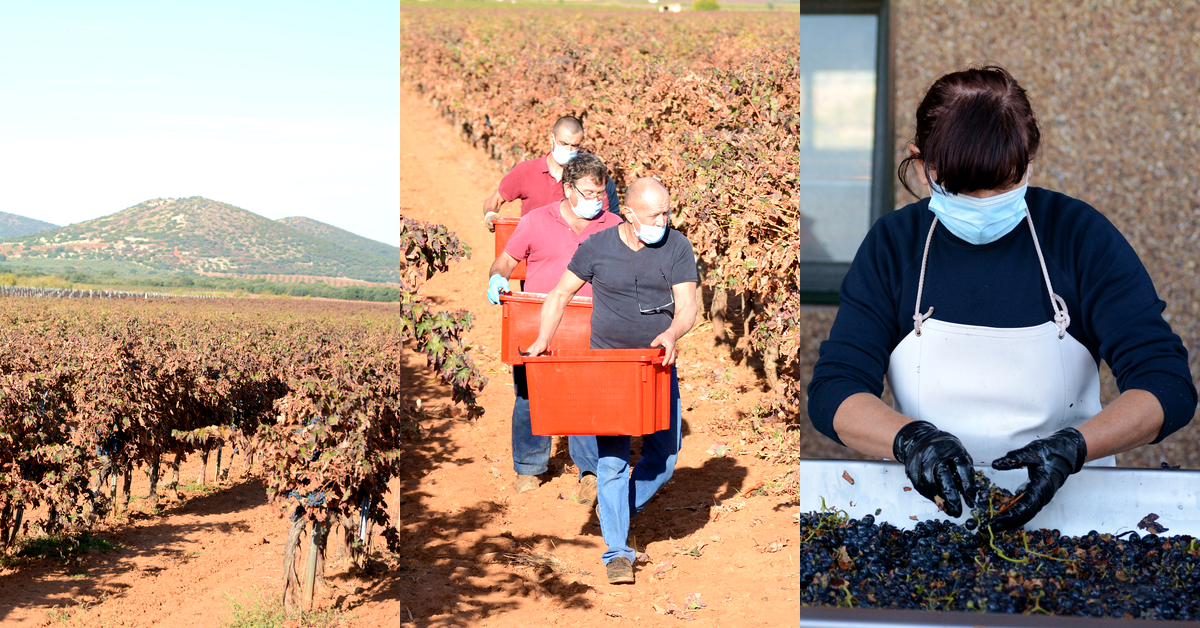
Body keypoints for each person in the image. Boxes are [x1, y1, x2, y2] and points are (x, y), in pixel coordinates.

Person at [807, 65, 1196, 531]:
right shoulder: (895, 244)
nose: (984, 202)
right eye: (960, 187)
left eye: (1005, 183)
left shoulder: (1079, 236)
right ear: (921, 161)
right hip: (930, 514)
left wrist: (1075, 447)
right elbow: (835, 390)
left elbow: (1167, 385)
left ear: (1030, 160)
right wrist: (909, 440)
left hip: (1075, 519)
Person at [524, 177, 698, 585]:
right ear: (631, 214)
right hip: (609, 369)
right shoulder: (598, 247)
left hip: (655, 366)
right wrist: (542, 339)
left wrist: (671, 333)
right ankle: (617, 553)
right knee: (614, 459)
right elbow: (560, 294)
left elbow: (688, 304)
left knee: (665, 457)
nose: (664, 220)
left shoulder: (677, 246)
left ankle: (615, 505)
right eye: (656, 214)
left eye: (668, 212)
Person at [486, 153, 624, 501]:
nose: (596, 201)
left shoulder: (613, 225)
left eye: (600, 194)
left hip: (593, 324)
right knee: (531, 396)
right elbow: (506, 258)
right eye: (588, 193)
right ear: (567, 188)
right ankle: (529, 467)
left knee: (587, 397)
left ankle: (590, 471)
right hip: (538, 321)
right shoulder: (535, 221)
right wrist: (498, 277)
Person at [482, 115, 619, 232]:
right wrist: (490, 215)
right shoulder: (525, 171)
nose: (569, 150)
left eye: (575, 145)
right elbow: (495, 200)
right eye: (564, 144)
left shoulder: (587, 179)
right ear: (551, 138)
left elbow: (603, 216)